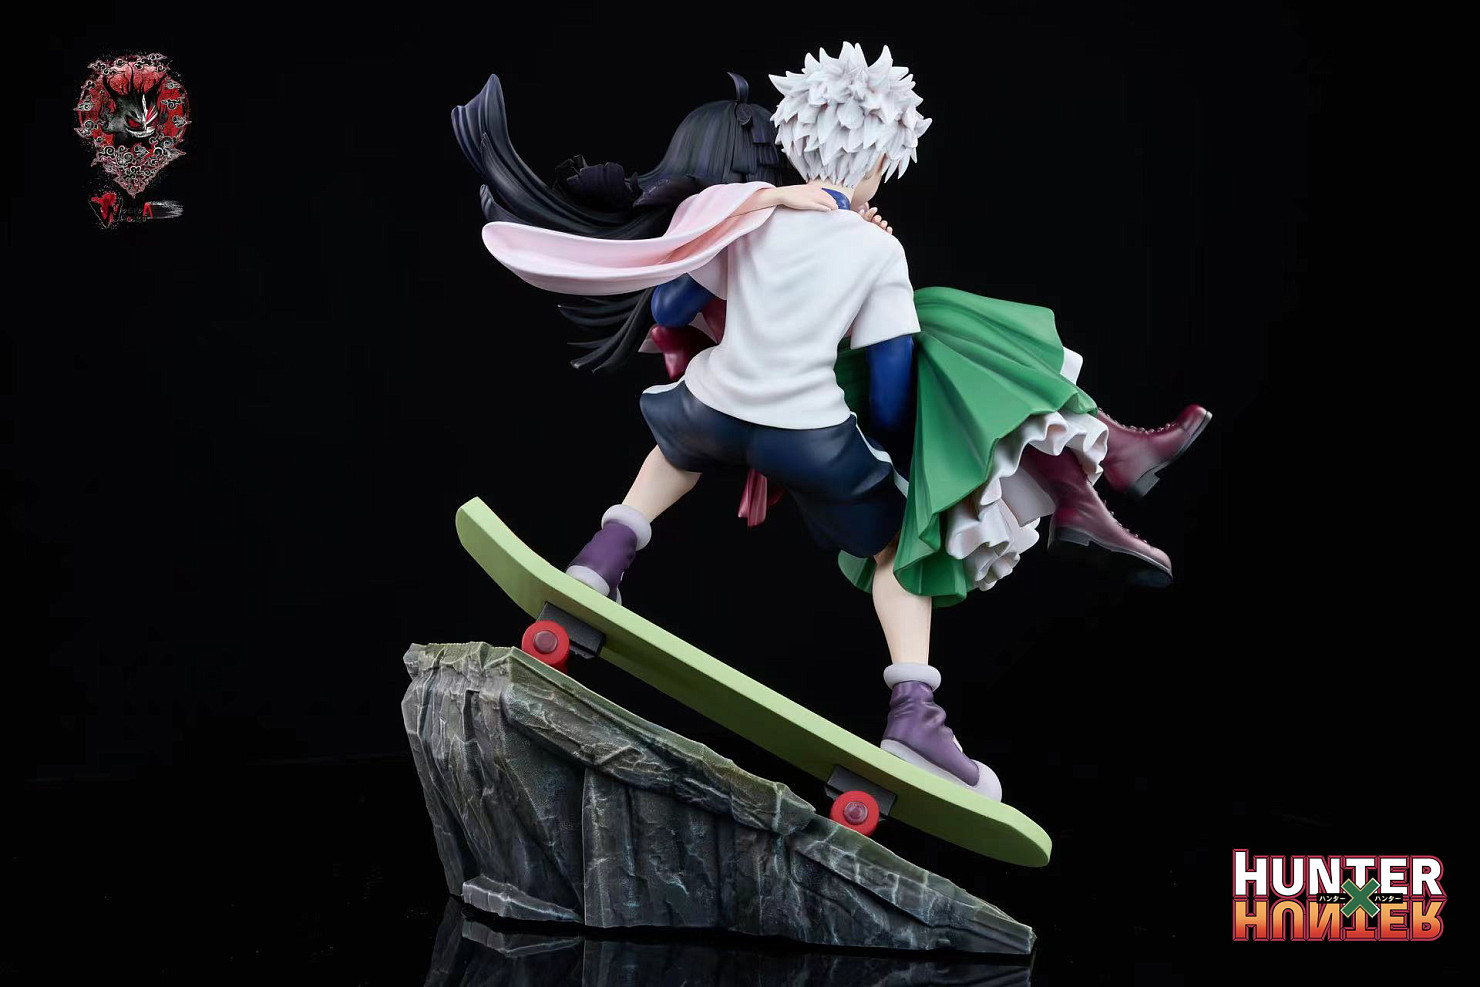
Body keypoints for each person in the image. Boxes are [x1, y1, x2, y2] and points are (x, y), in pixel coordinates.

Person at [466, 43, 1210, 801]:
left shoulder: (749, 215)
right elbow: (888, 394)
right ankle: (915, 714)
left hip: (711, 408)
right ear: (882, 161)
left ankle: (603, 557)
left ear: (794, 141)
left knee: (677, 448)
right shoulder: (877, 252)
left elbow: (670, 305)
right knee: (898, 551)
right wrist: (896, 439)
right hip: (810, 438)